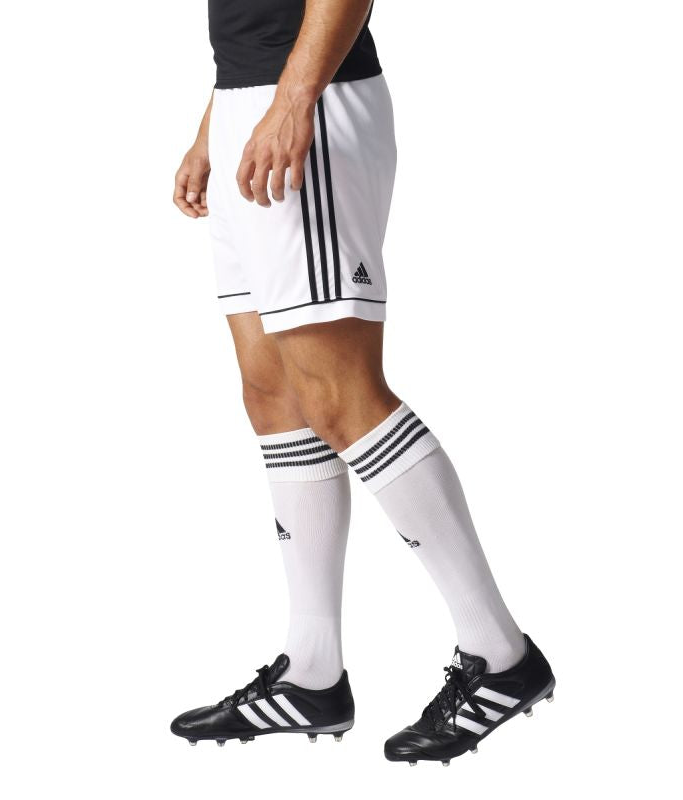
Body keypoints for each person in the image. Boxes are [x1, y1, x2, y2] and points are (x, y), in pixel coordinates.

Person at [169, 0, 555, 767]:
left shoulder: (300, 99)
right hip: (250, 101)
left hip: (307, 102)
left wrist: (293, 100)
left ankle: (501, 654)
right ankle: (312, 672)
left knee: (340, 395)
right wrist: (214, 124)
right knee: (273, 393)